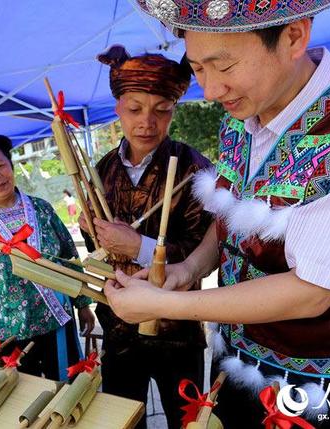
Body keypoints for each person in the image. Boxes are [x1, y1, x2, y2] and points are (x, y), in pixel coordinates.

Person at [106, 1, 330, 427]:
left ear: (294, 37)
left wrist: (167, 303)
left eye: (224, 65)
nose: (210, 89)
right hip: (234, 362)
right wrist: (188, 269)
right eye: (199, 67)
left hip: (316, 392)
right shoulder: (240, 120)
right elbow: (231, 216)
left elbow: (313, 290)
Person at [79, 46, 213, 429]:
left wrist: (138, 247)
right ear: (118, 107)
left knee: (185, 419)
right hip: (119, 325)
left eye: (162, 109)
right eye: (135, 108)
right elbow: (98, 253)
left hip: (177, 328)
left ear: (174, 108)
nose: (147, 122)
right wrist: (97, 235)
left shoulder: (195, 169)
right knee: (123, 419)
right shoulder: (101, 171)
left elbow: (206, 247)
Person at [0, 135, 96, 381]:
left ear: (10, 166)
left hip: (56, 320)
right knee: (20, 401)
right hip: (8, 334)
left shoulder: (41, 209)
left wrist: (83, 304)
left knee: (66, 393)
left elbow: (68, 256)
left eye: (0, 165)